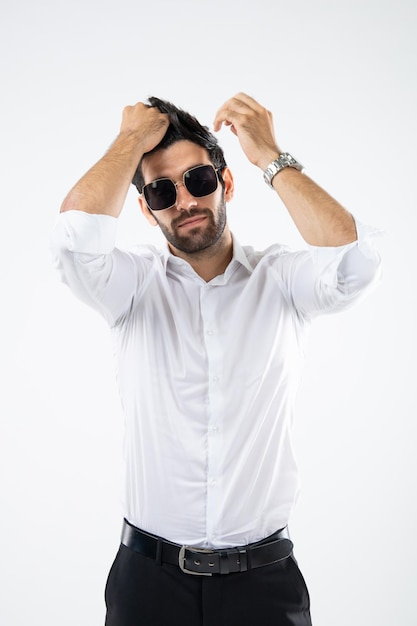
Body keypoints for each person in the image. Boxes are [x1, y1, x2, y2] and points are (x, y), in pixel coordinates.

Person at [51, 93, 381, 626]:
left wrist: (270, 157)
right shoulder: (130, 286)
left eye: (199, 180)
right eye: (161, 190)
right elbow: (71, 243)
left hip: (264, 585)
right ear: (145, 208)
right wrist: (130, 140)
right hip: (147, 584)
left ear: (225, 183)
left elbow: (354, 265)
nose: (184, 201)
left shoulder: (283, 280)